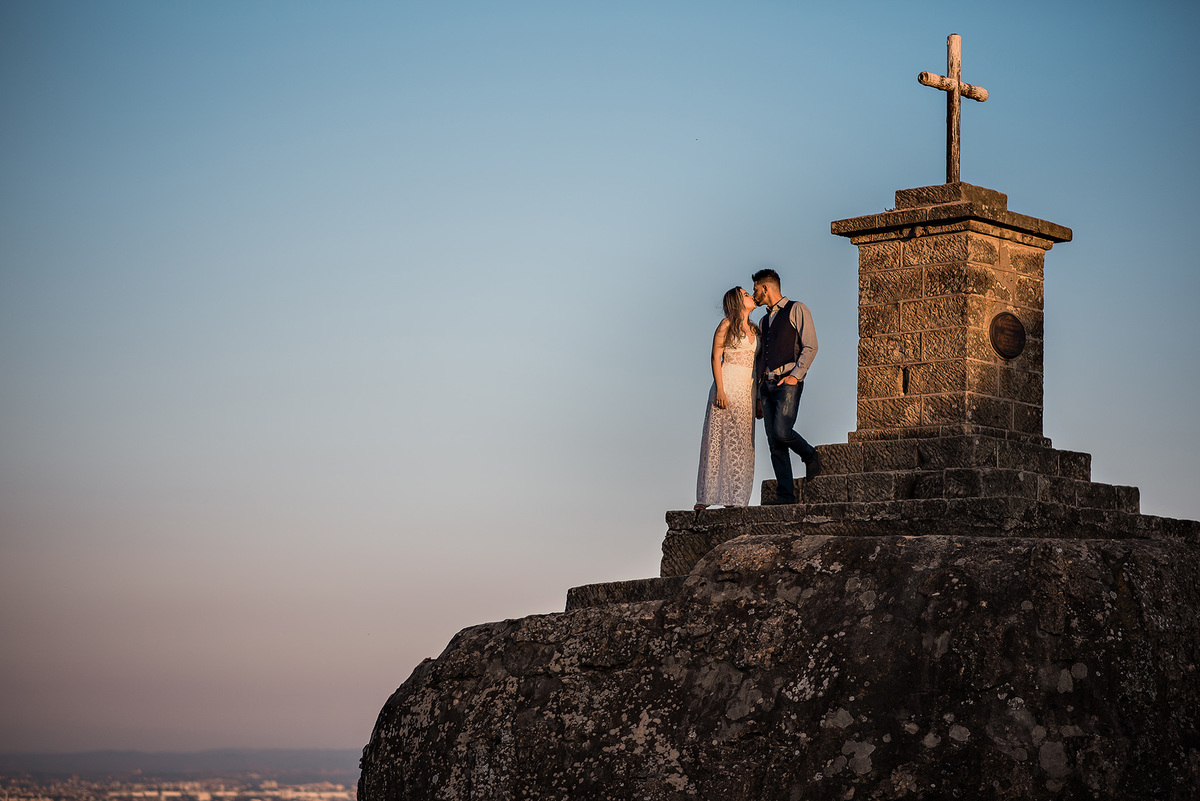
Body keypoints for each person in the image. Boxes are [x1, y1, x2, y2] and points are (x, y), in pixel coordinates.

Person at [752, 268, 820, 504]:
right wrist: (758, 397)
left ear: (766, 288)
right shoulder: (763, 320)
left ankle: (810, 454)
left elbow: (810, 346)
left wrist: (795, 376)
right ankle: (785, 495)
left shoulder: (797, 309)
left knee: (782, 432)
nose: (754, 294)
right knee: (774, 443)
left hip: (788, 381)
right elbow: (760, 359)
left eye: (756, 289)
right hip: (766, 386)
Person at [695, 287, 760, 510]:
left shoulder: (755, 329)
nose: (750, 296)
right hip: (728, 383)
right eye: (745, 294)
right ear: (737, 301)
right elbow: (715, 357)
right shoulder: (726, 324)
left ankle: (736, 498)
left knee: (742, 443)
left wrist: (759, 397)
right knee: (719, 438)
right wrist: (720, 390)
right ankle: (706, 497)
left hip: (747, 388)